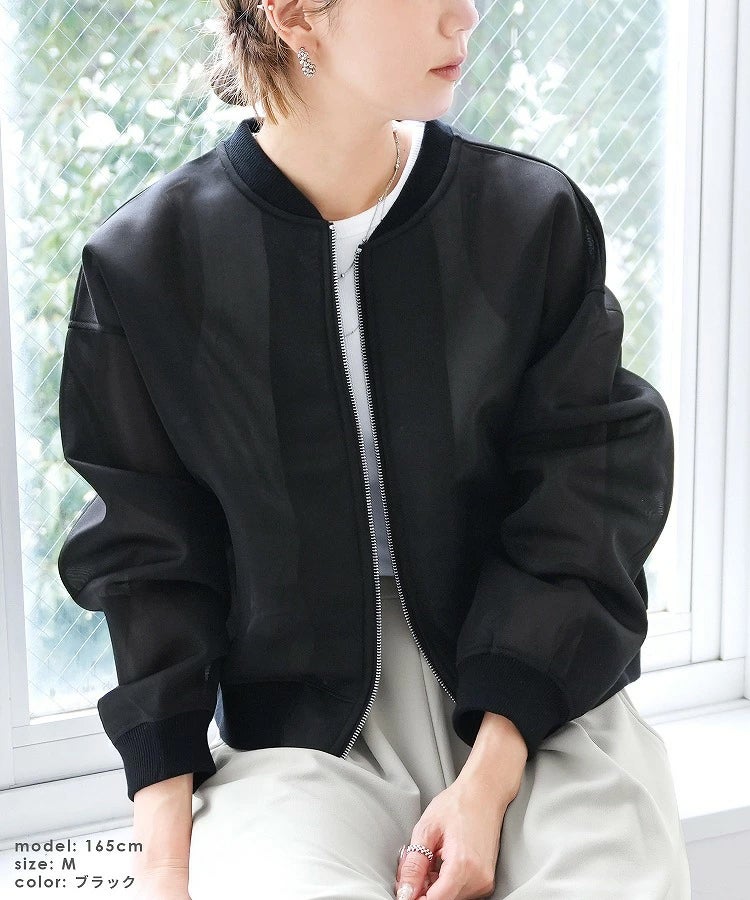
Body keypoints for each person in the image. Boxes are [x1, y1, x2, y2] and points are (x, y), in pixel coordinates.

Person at [56, 0, 692, 898]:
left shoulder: (527, 218)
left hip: (541, 692)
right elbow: (148, 565)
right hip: (301, 735)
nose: (465, 15)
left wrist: (486, 784)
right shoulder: (146, 265)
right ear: (297, 16)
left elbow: (587, 500)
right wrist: (163, 864)